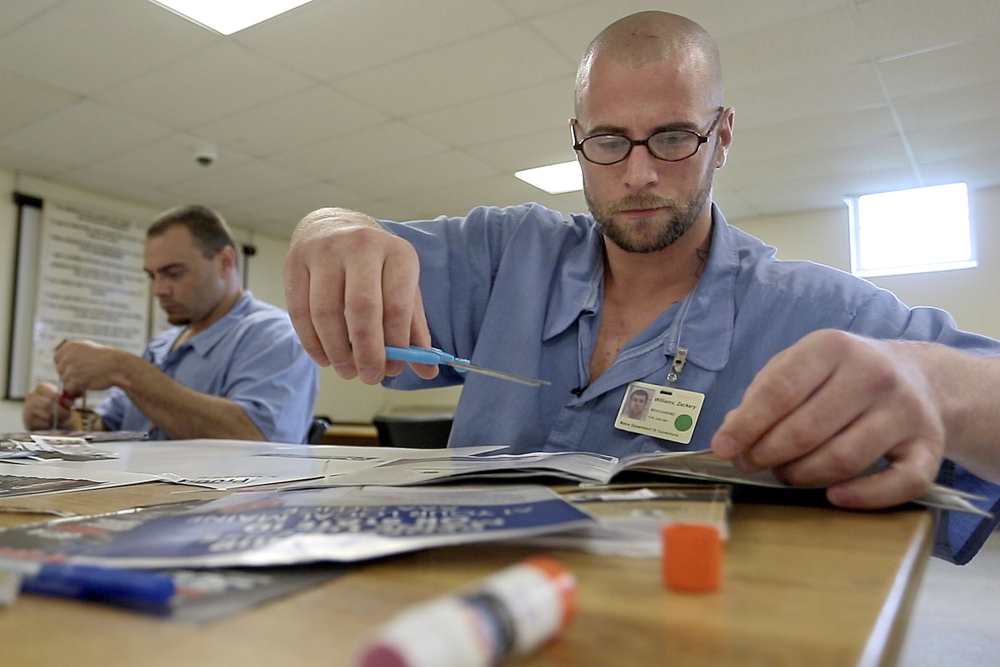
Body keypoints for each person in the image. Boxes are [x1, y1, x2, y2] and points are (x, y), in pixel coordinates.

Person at [282, 11, 1000, 563]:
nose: (638, 174)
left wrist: (933, 378)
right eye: (608, 141)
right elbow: (362, 242)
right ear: (578, 139)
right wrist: (328, 226)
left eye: (672, 137)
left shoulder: (817, 311)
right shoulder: (510, 253)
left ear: (721, 136)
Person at [23, 205, 318, 443]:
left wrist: (122, 369)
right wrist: (64, 420)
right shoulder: (161, 346)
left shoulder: (276, 335)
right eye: (153, 276)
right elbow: (110, 424)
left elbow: (257, 440)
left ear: (226, 261)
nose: (159, 290)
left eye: (173, 273)